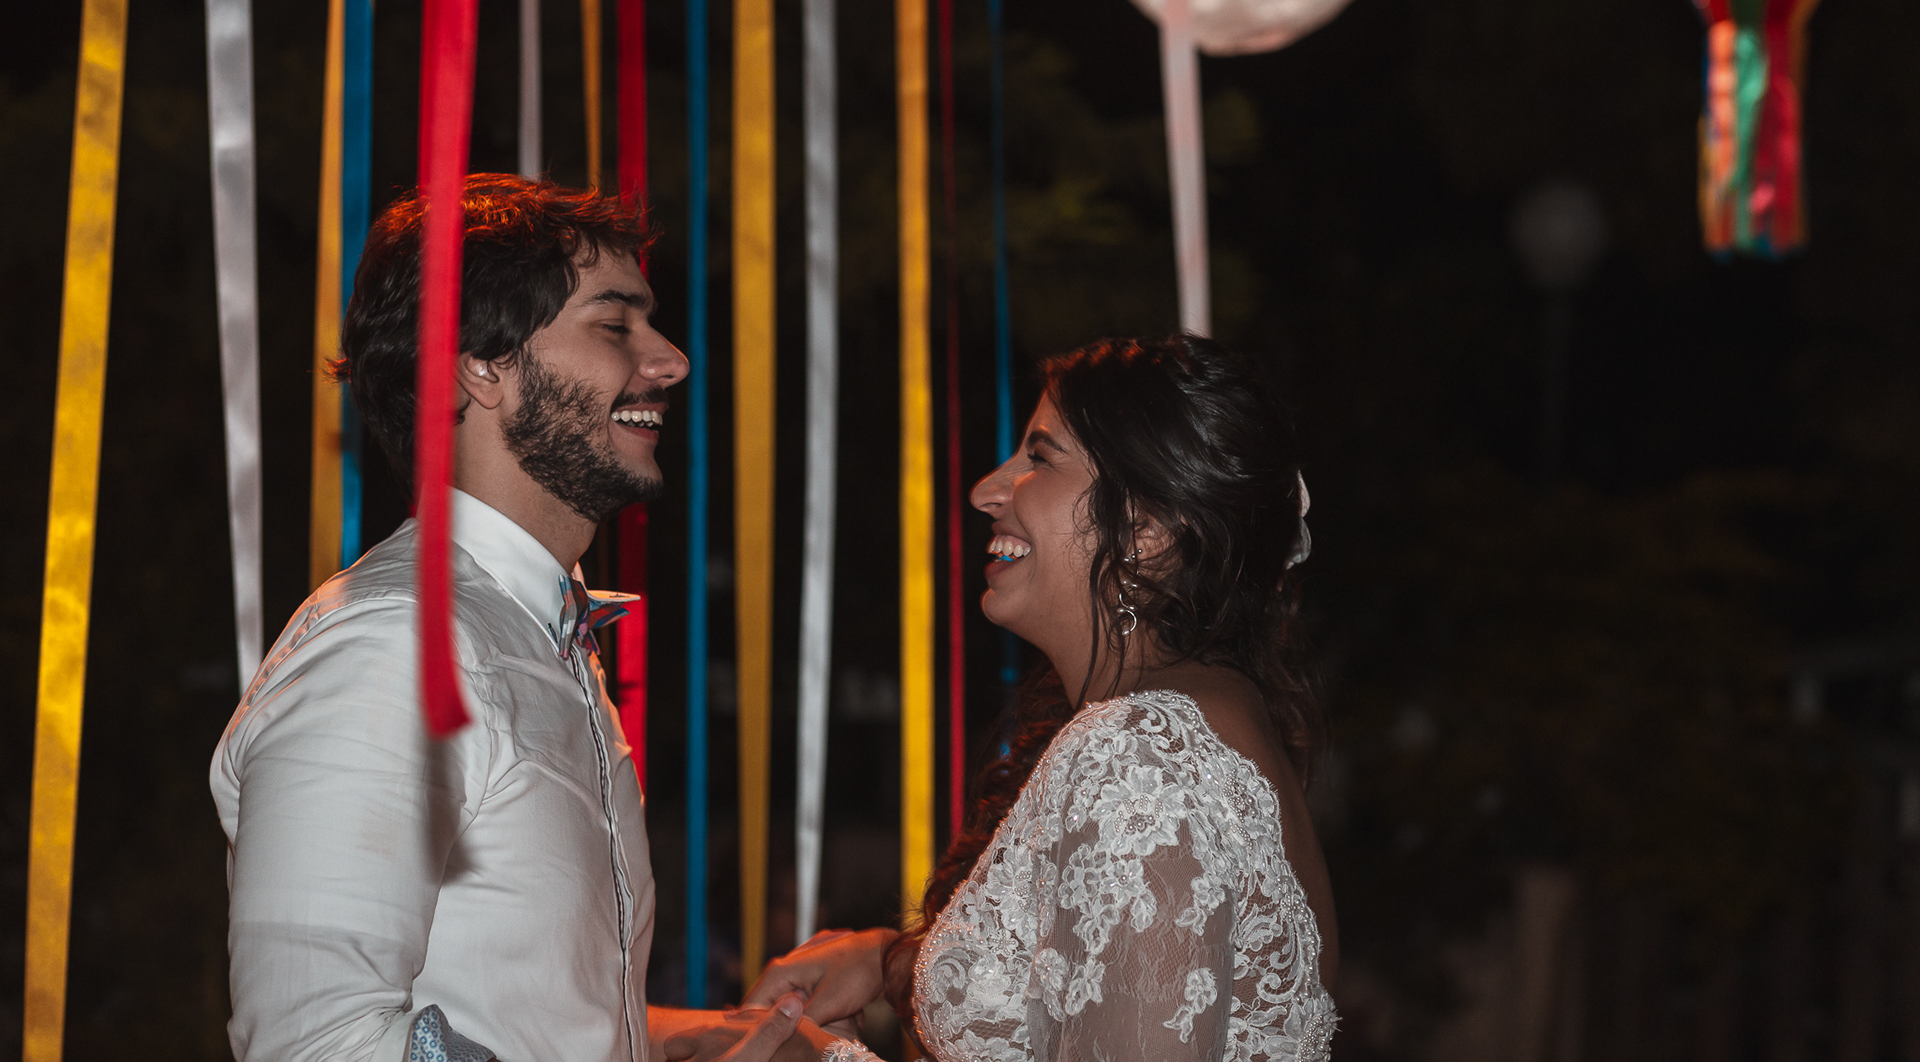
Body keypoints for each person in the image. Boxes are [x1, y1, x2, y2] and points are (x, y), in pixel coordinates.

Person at [211, 175, 807, 1062]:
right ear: (481, 365)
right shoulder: (392, 648)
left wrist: (684, 1040)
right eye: (616, 325)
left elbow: (515, 1006)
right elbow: (319, 1041)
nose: (671, 359)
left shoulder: (538, 631)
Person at [696, 334, 1338, 1062]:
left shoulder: (1139, 755)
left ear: (1146, 529)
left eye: (1040, 458)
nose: (986, 490)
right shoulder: (1211, 722)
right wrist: (889, 961)